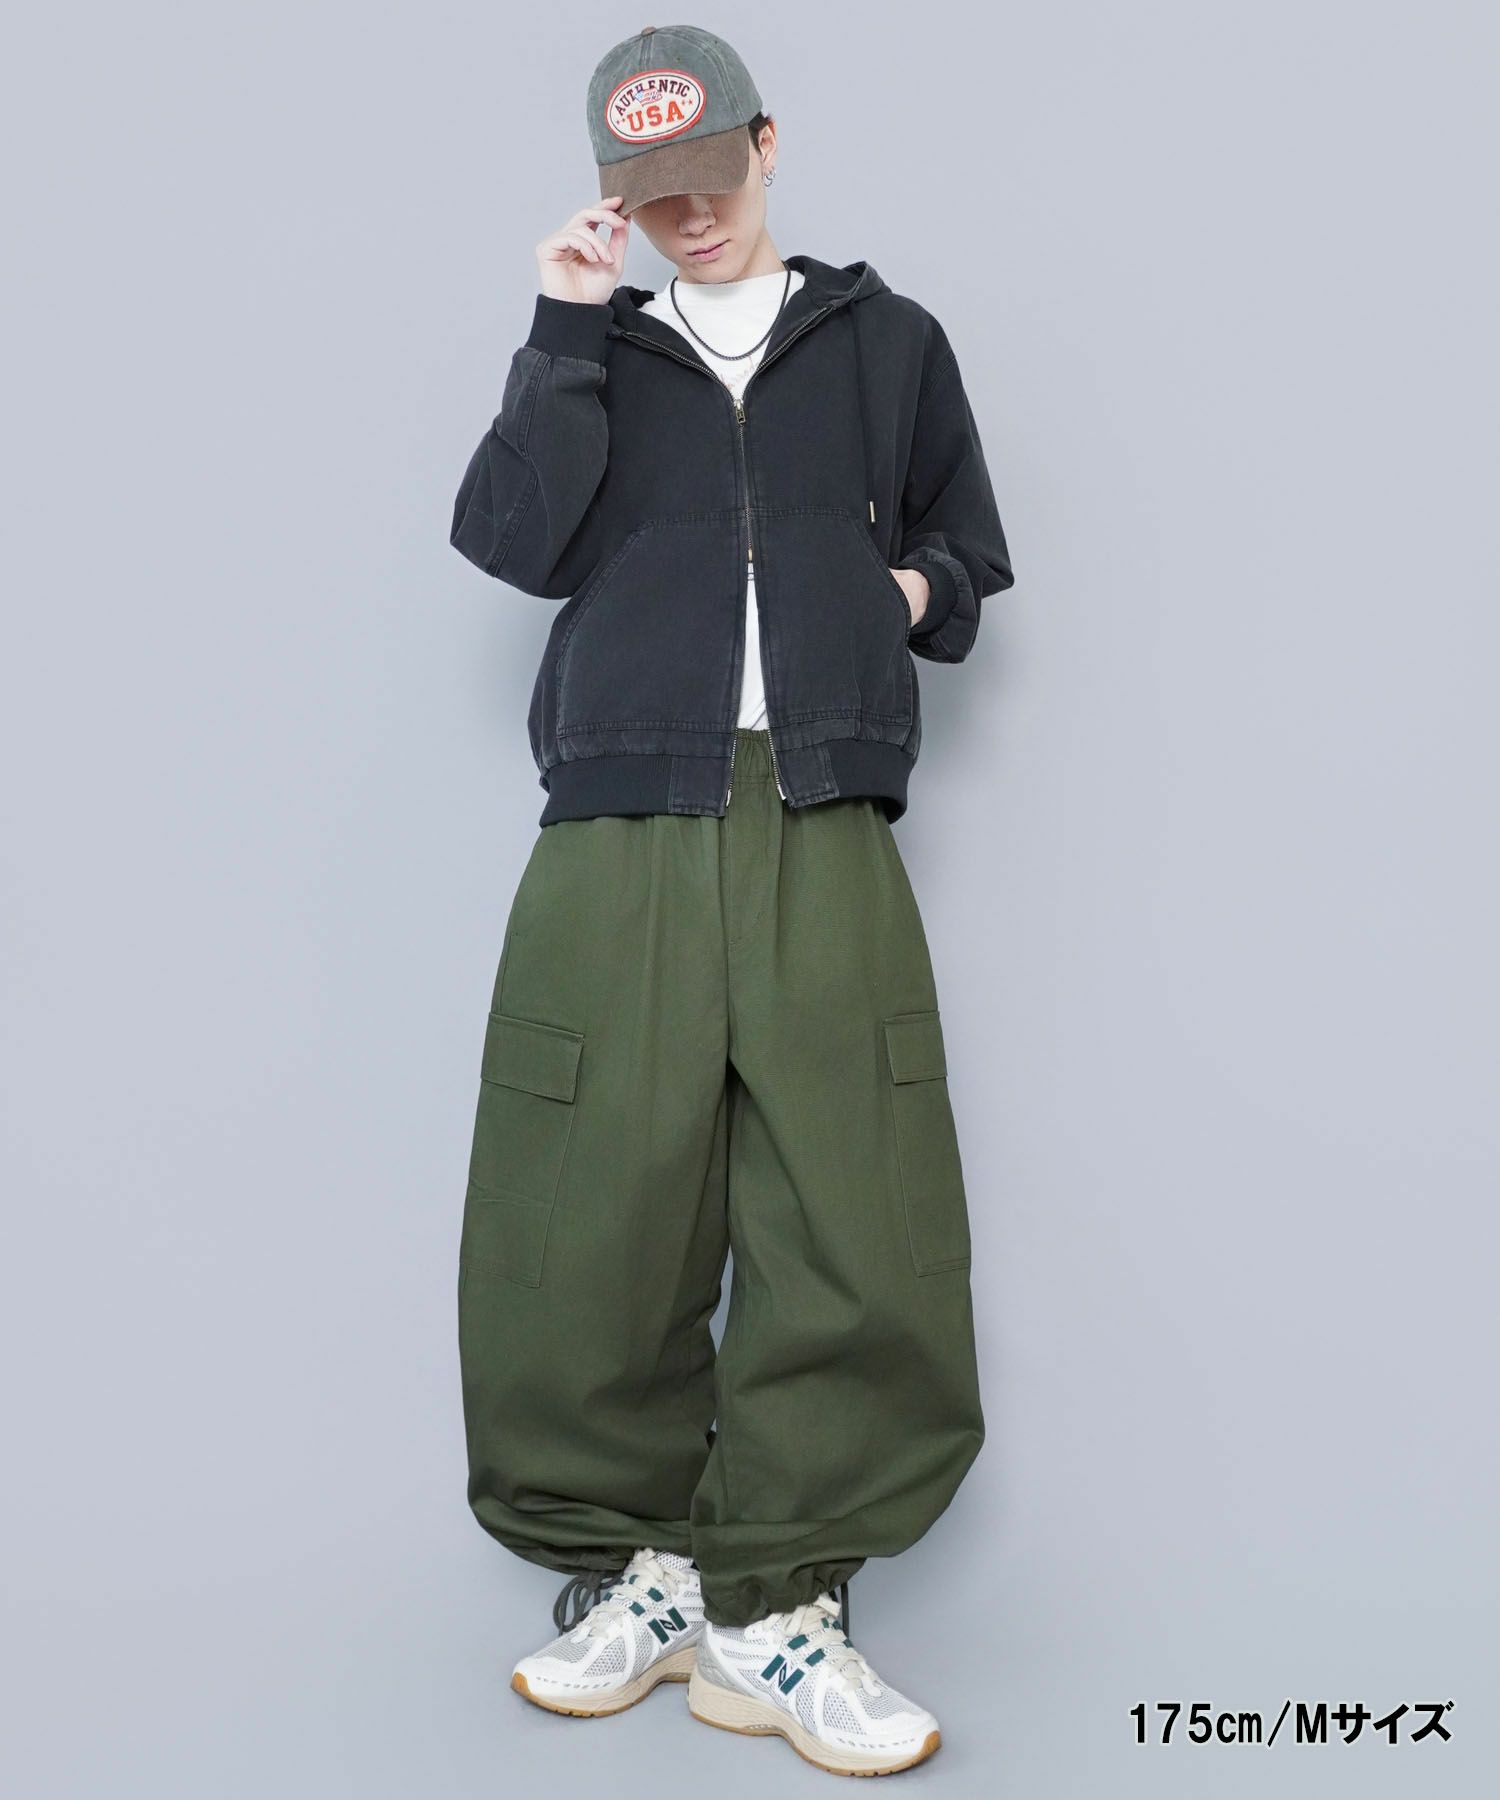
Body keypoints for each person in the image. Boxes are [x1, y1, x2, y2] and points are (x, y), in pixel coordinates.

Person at [448, 23, 1014, 1779]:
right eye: (649, 194)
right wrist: (560, 328)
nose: (685, 215)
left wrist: (891, 596)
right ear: (614, 197)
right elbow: (511, 544)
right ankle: (661, 1574)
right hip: (619, 814)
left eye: (708, 177)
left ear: (770, 146)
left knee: (853, 1201)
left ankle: (781, 1599)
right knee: (588, 1203)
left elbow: (968, 555)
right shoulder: (598, 352)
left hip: (819, 811)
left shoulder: (889, 342)